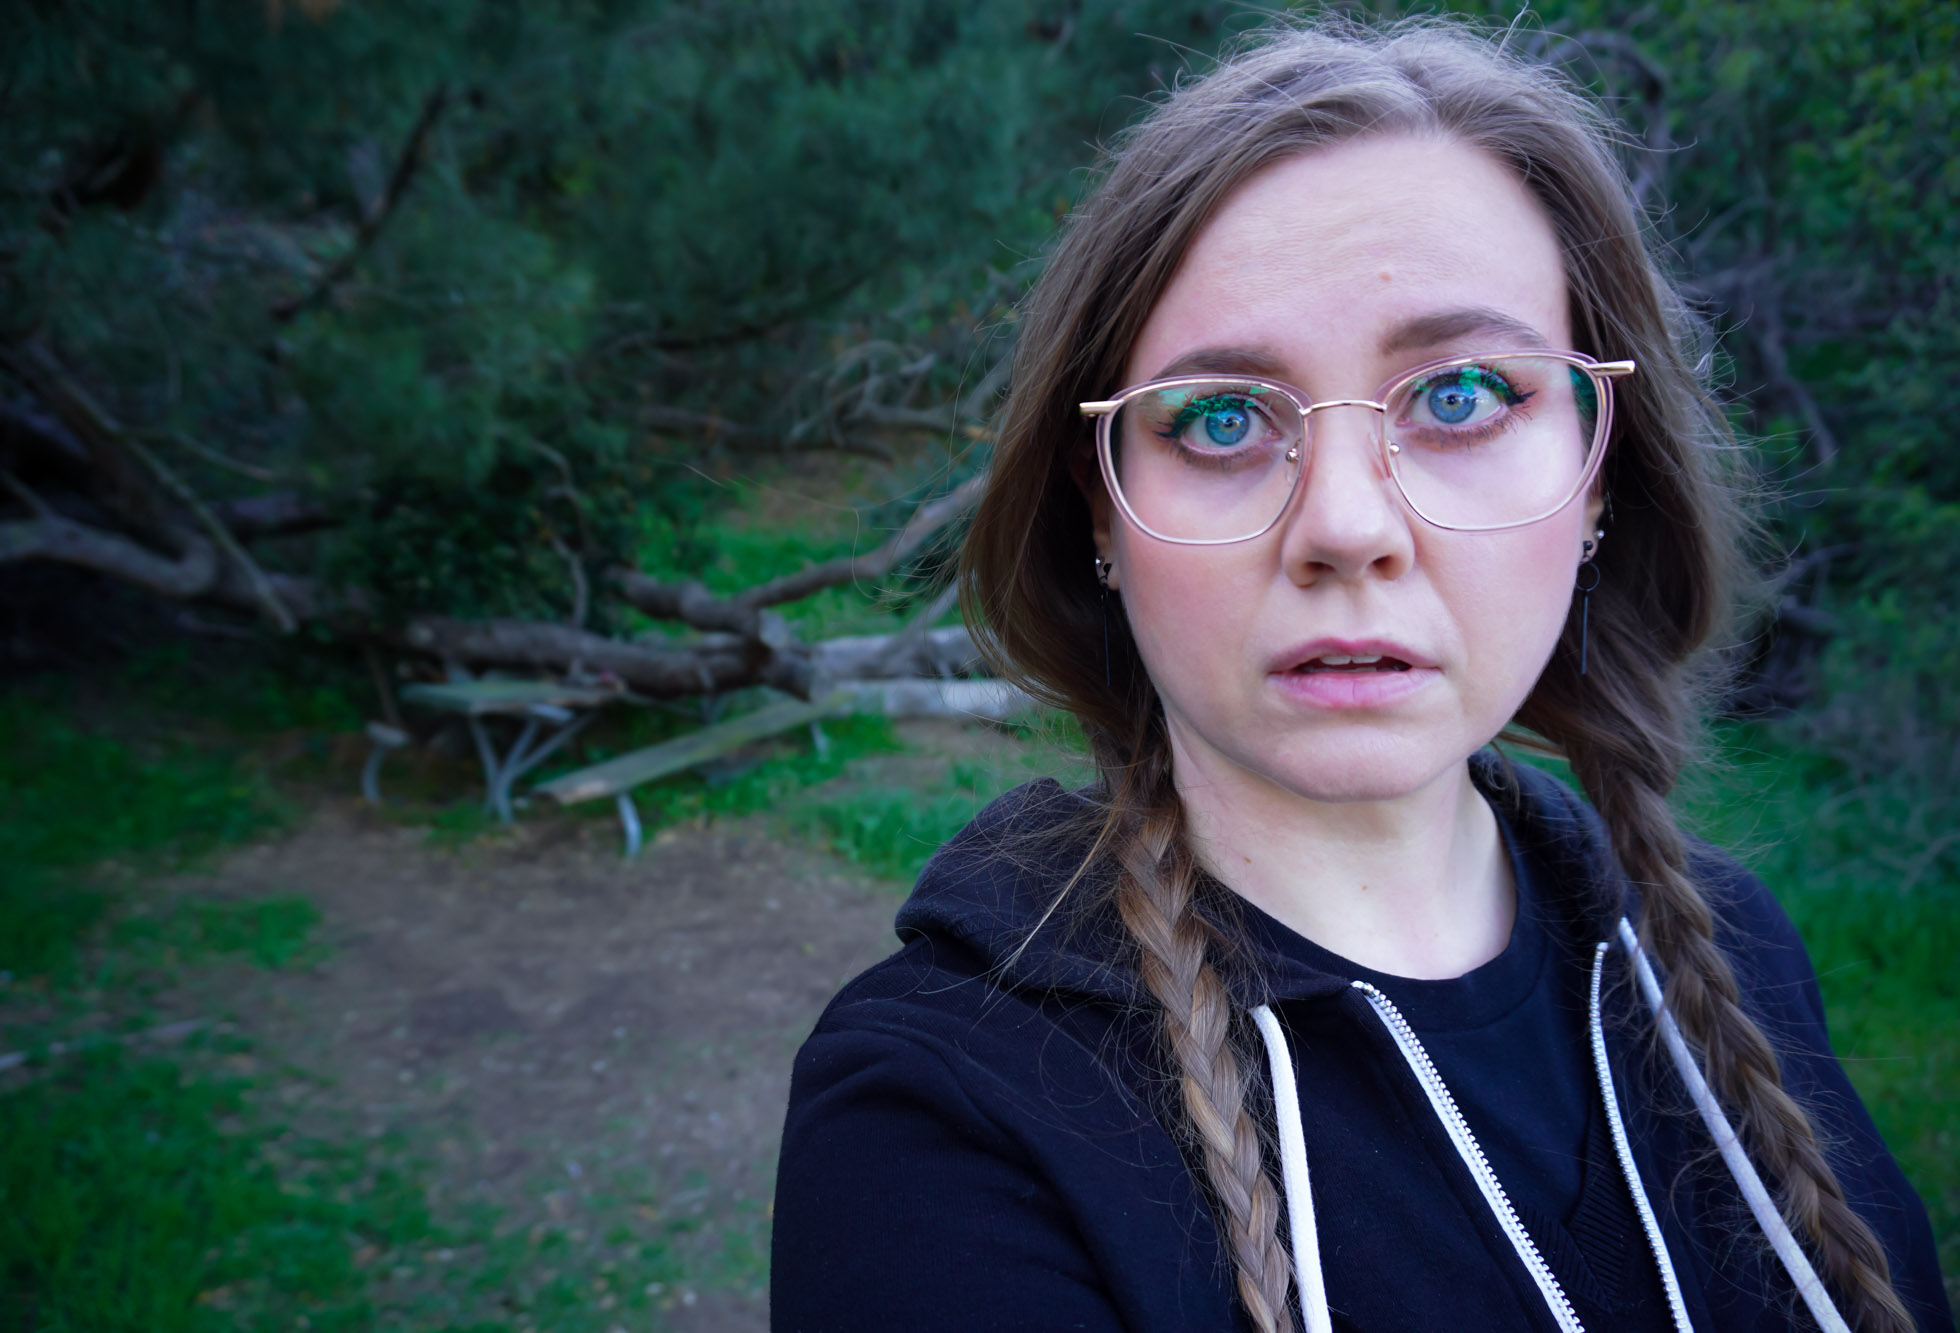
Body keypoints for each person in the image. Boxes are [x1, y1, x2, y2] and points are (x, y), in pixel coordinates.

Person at [769, 19, 1952, 1333]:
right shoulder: (945, 1112)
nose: (1344, 525)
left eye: (1459, 397)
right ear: (1099, 511)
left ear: (1598, 469)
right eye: (1221, 419)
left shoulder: (1735, 956)